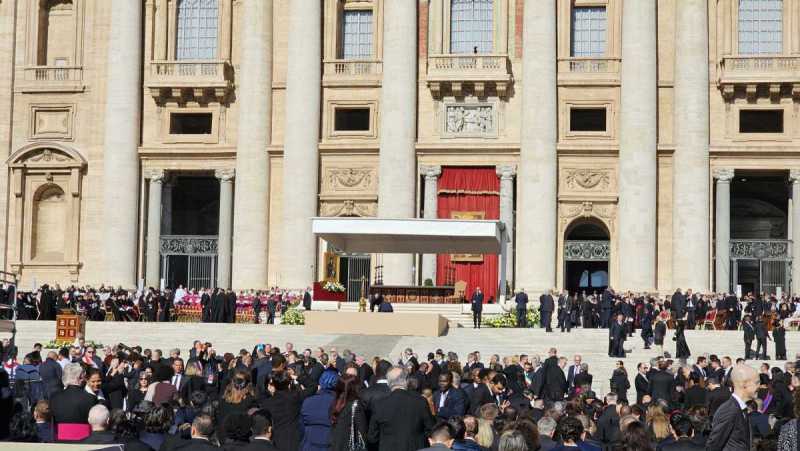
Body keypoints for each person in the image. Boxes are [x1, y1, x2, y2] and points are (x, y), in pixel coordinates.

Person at [367, 366, 435, 450]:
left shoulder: (379, 404)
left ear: (388, 382)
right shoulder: (420, 401)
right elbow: (431, 429)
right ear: (406, 381)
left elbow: (372, 437)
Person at [707, 364, 758, 451]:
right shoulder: (729, 410)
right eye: (757, 382)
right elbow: (713, 446)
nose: (759, 386)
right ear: (744, 384)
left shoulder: (741, 408)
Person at [300, 370, 338, 450]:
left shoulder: (307, 401)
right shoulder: (338, 403)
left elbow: (301, 426)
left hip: (309, 445)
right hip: (330, 445)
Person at [330, 374, 367, 451]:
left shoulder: (335, 403)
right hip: (349, 446)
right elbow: (363, 431)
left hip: (335, 445)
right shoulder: (356, 405)